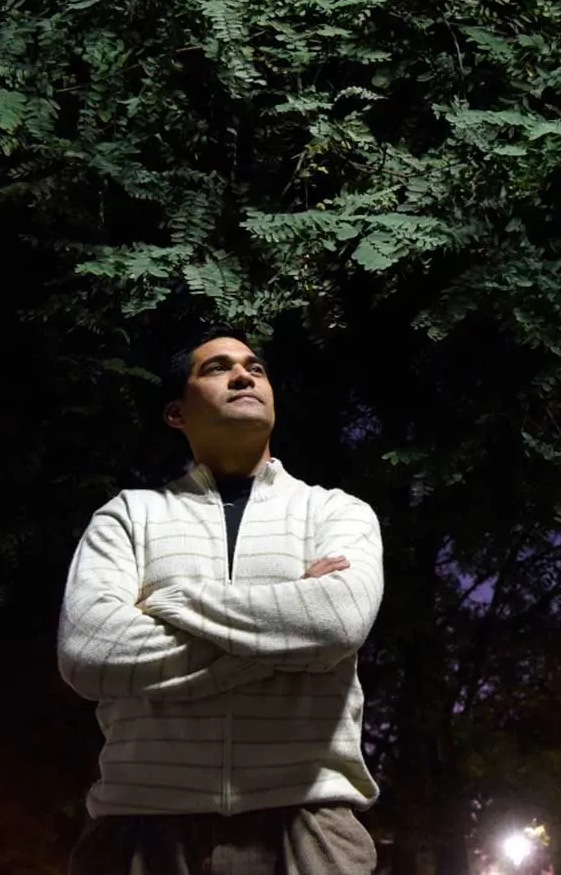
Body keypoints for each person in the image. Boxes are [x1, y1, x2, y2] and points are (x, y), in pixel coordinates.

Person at [58, 327, 383, 875]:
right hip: (140, 825)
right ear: (175, 413)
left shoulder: (336, 513)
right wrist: (290, 629)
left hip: (306, 828)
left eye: (255, 368)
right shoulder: (128, 517)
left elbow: (335, 622)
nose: (243, 375)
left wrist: (168, 602)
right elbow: (88, 652)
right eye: (216, 368)